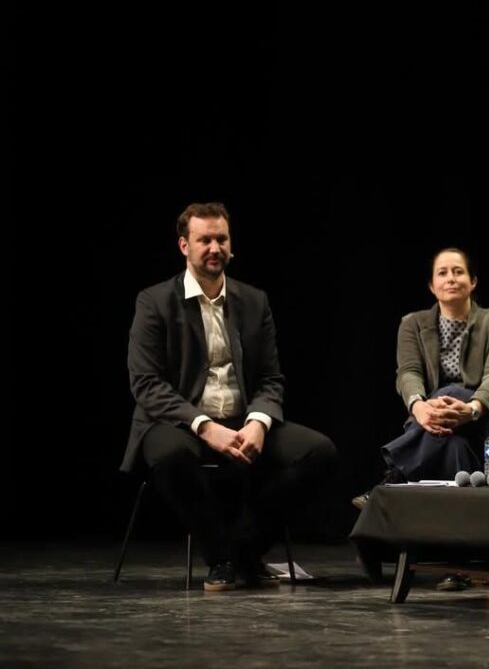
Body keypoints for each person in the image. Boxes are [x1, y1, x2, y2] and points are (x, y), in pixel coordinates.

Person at [123, 202, 337, 592]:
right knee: (171, 457)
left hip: (242, 418)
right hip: (178, 422)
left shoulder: (253, 301)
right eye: (204, 240)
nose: (214, 248)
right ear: (184, 246)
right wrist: (205, 427)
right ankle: (220, 557)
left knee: (319, 452)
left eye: (221, 239)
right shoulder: (154, 301)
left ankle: (243, 548)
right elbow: (147, 384)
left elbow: (271, 378)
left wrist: (259, 422)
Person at [362, 247, 489, 494]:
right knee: (454, 446)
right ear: (432, 286)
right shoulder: (412, 324)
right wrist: (418, 407)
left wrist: (472, 409)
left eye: (458, 272)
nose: (451, 279)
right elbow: (408, 373)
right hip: (433, 425)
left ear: (473, 281)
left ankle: (394, 476)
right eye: (442, 273)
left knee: (450, 391)